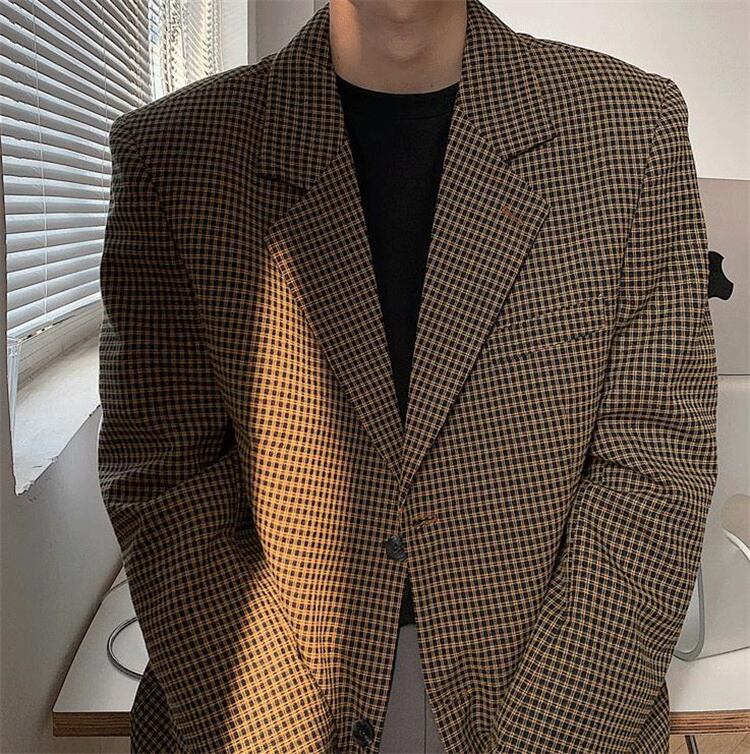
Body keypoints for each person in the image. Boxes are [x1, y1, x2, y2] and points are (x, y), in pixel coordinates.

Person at [97, 0, 719, 752]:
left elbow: (657, 461)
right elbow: (164, 477)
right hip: (270, 685)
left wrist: (550, 737)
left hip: (551, 687)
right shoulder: (177, 150)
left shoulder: (630, 130)